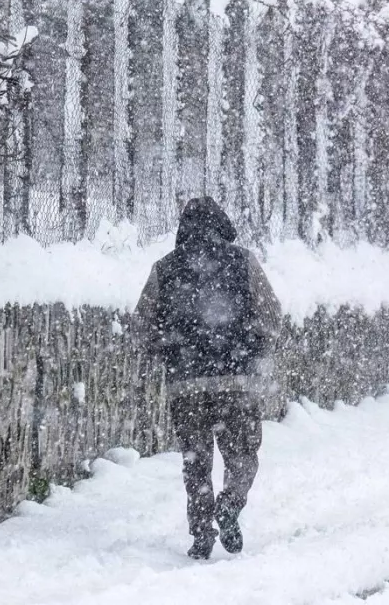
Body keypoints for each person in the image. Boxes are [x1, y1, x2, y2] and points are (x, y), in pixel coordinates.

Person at [133, 196, 283, 560]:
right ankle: (230, 503)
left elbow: (141, 326)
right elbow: (272, 315)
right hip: (238, 380)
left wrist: (169, 347)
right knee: (243, 454)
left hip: (186, 384)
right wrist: (255, 346)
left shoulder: (164, 268)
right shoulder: (243, 261)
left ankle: (201, 533)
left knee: (195, 461)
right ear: (222, 224)